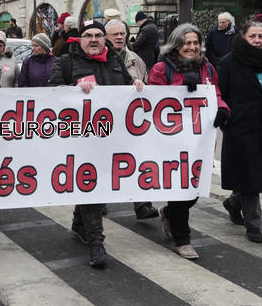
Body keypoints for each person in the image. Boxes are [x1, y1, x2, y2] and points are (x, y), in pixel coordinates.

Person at [49, 20, 145, 267]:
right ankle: (96, 243)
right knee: (91, 185)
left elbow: (125, 90)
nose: (93, 39)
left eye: (98, 35)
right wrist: (74, 88)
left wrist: (135, 86)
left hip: (111, 139)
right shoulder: (65, 62)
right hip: (80, 140)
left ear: (105, 39)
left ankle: (79, 223)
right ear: (80, 39)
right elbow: (50, 95)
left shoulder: (115, 62)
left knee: (95, 185)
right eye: (88, 35)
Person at [148, 24, 229, 260]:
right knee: (181, 189)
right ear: (176, 44)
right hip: (172, 141)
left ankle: (168, 213)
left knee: (193, 190)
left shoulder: (208, 67)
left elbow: (216, 94)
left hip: (199, 142)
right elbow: (154, 101)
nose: (192, 47)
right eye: (187, 43)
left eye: (195, 43)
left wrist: (222, 109)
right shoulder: (162, 69)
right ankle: (183, 239)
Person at [217, 20, 262, 244]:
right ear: (243, 37)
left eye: (261, 36)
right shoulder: (229, 62)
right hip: (242, 128)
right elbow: (221, 94)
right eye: (253, 36)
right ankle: (254, 224)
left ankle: (233, 202)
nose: (257, 41)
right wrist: (229, 119)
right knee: (250, 176)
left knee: (258, 174)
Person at [104, 19, 158, 219]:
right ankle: (98, 199)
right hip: (106, 121)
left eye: (122, 33)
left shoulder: (136, 59)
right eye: (114, 34)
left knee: (137, 159)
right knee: (104, 161)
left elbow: (147, 84)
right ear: (106, 37)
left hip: (132, 121)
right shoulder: (99, 59)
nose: (119, 37)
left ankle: (142, 203)